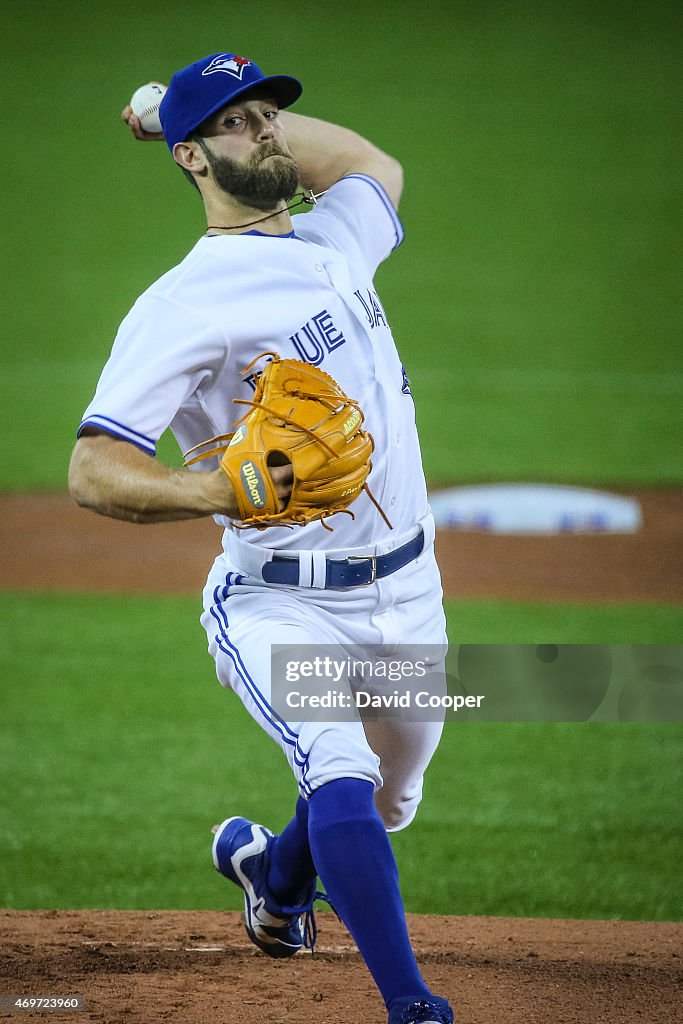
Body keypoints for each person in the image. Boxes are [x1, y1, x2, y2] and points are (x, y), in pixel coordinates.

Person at [68, 50, 454, 1024]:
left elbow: (370, 161)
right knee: (339, 767)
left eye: (270, 115)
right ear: (194, 162)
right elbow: (93, 468)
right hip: (280, 597)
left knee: (386, 795)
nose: (268, 131)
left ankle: (274, 882)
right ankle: (409, 1003)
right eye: (237, 124)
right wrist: (213, 489)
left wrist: (174, 114)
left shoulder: (335, 242)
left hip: (408, 590)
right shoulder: (186, 304)